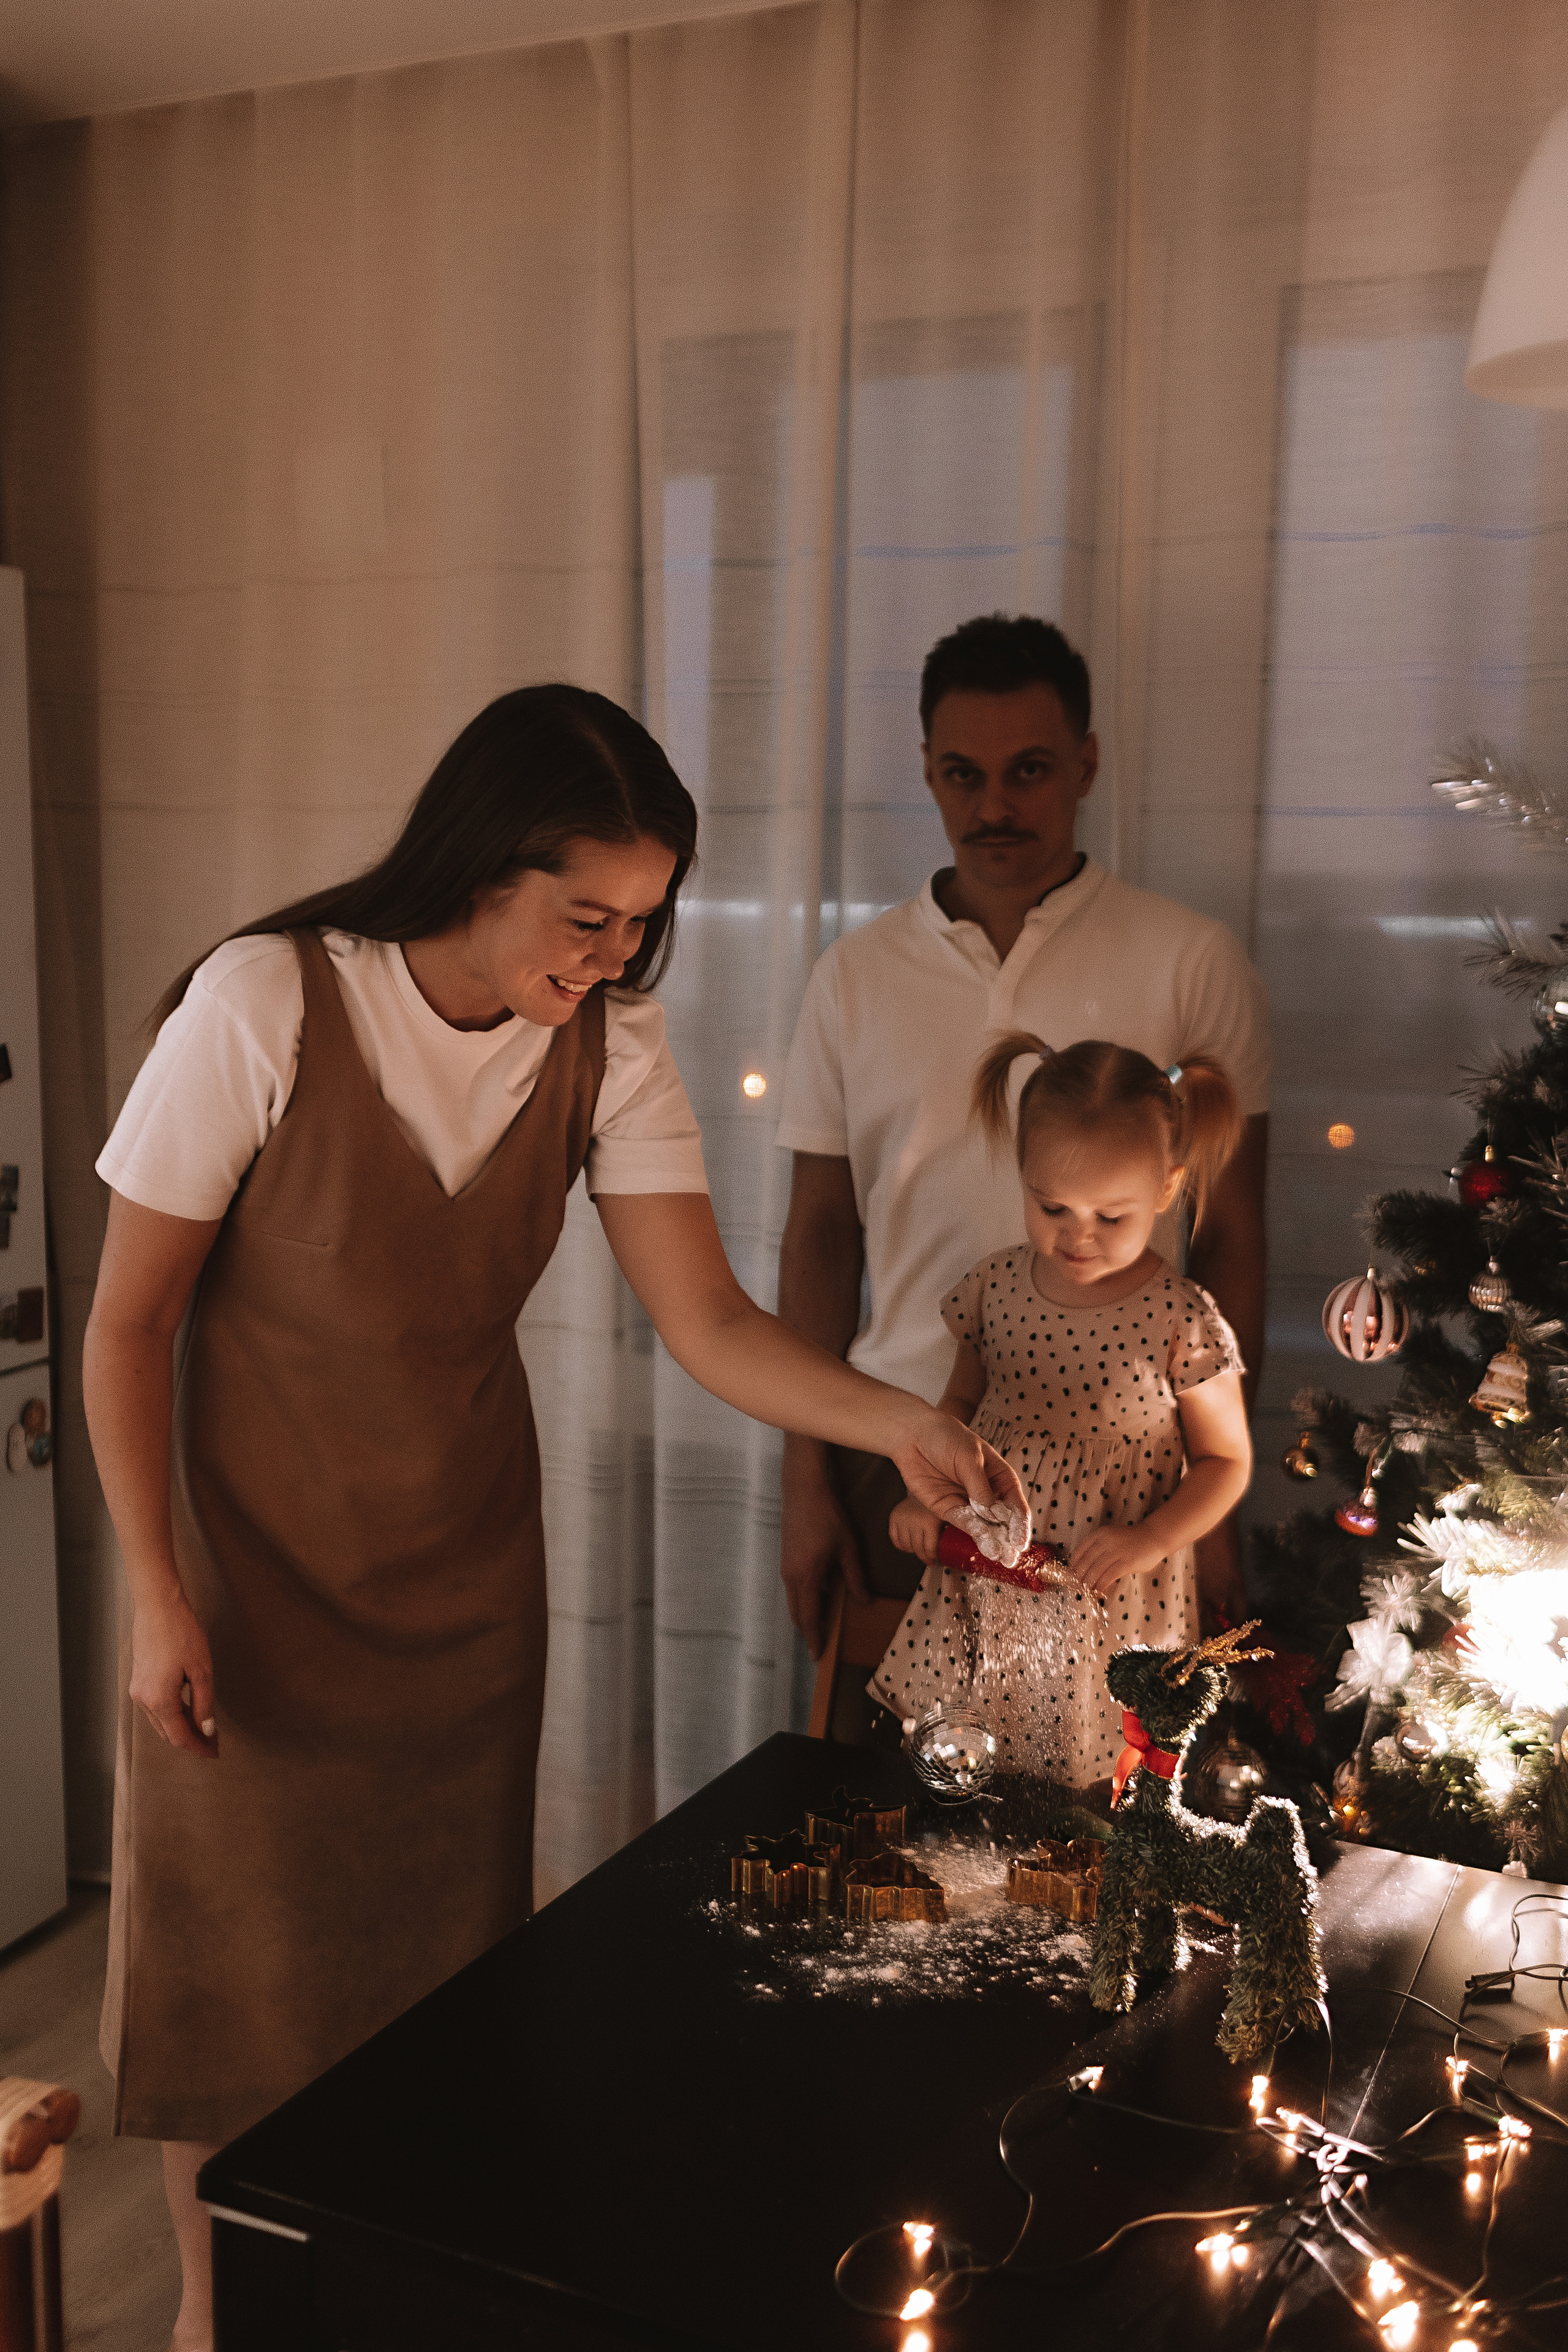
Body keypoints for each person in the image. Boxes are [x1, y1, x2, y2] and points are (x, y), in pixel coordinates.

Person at [82, 685, 1026, 2352]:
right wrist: (153, 1593)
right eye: (585, 917)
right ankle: (219, 2328)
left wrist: (907, 1427)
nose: (610, 956)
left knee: (430, 2038)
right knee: (232, 2039)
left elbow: (715, 1324)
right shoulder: (266, 1002)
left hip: (459, 1606)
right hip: (241, 1601)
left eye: (642, 925)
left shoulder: (609, 1041)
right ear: (477, 863)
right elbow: (128, 1325)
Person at [774, 613, 1269, 1685]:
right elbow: (819, 1237)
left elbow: (1233, 1238)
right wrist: (804, 1482)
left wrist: (1212, 1510)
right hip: (896, 1457)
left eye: (1029, 771)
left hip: (1125, 1498)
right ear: (928, 773)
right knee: (886, 1800)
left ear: (1086, 763)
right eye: (963, 774)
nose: (994, 806)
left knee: (1088, 1802)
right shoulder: (851, 977)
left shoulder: (1191, 959)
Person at [870, 1035, 1253, 1789]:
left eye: (1112, 1217)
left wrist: (1150, 1538)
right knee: (975, 1764)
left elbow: (1226, 1461)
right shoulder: (995, 1288)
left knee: (1090, 1782)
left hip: (1112, 1595)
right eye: (1053, 1207)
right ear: (1023, 1175)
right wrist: (930, 1504)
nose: (1078, 1236)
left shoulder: (1179, 1317)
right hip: (988, 1581)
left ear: (1167, 1189)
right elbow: (954, 1414)